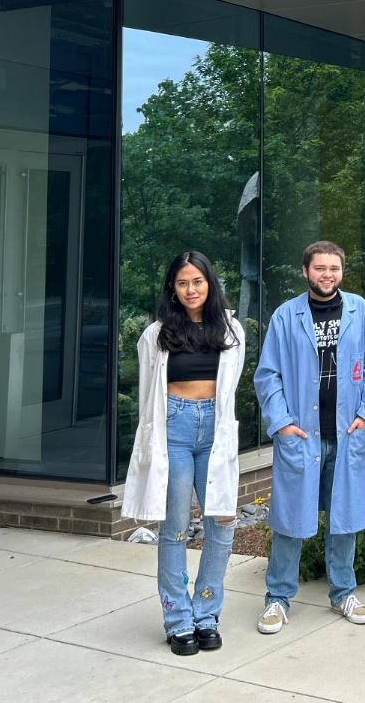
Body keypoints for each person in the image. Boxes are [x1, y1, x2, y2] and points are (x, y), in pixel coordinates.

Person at [253, 241, 365, 633]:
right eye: (320, 268)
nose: (328, 274)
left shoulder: (359, 311)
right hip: (302, 436)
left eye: (334, 268)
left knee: (343, 519)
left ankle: (343, 592)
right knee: (290, 520)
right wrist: (281, 423)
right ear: (305, 271)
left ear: (341, 271)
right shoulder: (285, 316)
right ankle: (277, 599)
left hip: (346, 434)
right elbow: (268, 374)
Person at [122, 251, 246, 656]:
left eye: (197, 281)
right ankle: (178, 620)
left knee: (221, 524)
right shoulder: (156, 335)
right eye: (182, 283)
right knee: (174, 528)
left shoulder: (232, 330)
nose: (191, 289)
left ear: (209, 283)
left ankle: (207, 614)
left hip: (215, 432)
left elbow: (230, 393)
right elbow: (146, 401)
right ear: (172, 289)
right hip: (172, 430)